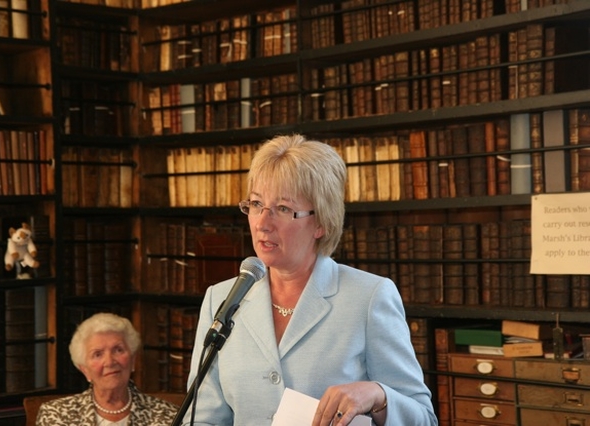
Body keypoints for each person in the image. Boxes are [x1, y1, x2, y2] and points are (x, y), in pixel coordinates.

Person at [183, 134, 437, 426]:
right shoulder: (222, 299)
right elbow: (203, 419)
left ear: (321, 223)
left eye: (282, 209)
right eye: (255, 204)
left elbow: (424, 419)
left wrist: (379, 396)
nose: (262, 223)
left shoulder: (369, 297)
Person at [36, 312, 178, 426]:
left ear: (133, 359)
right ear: (84, 369)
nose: (109, 362)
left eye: (118, 350)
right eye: (97, 354)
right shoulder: (56, 415)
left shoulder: (168, 416)